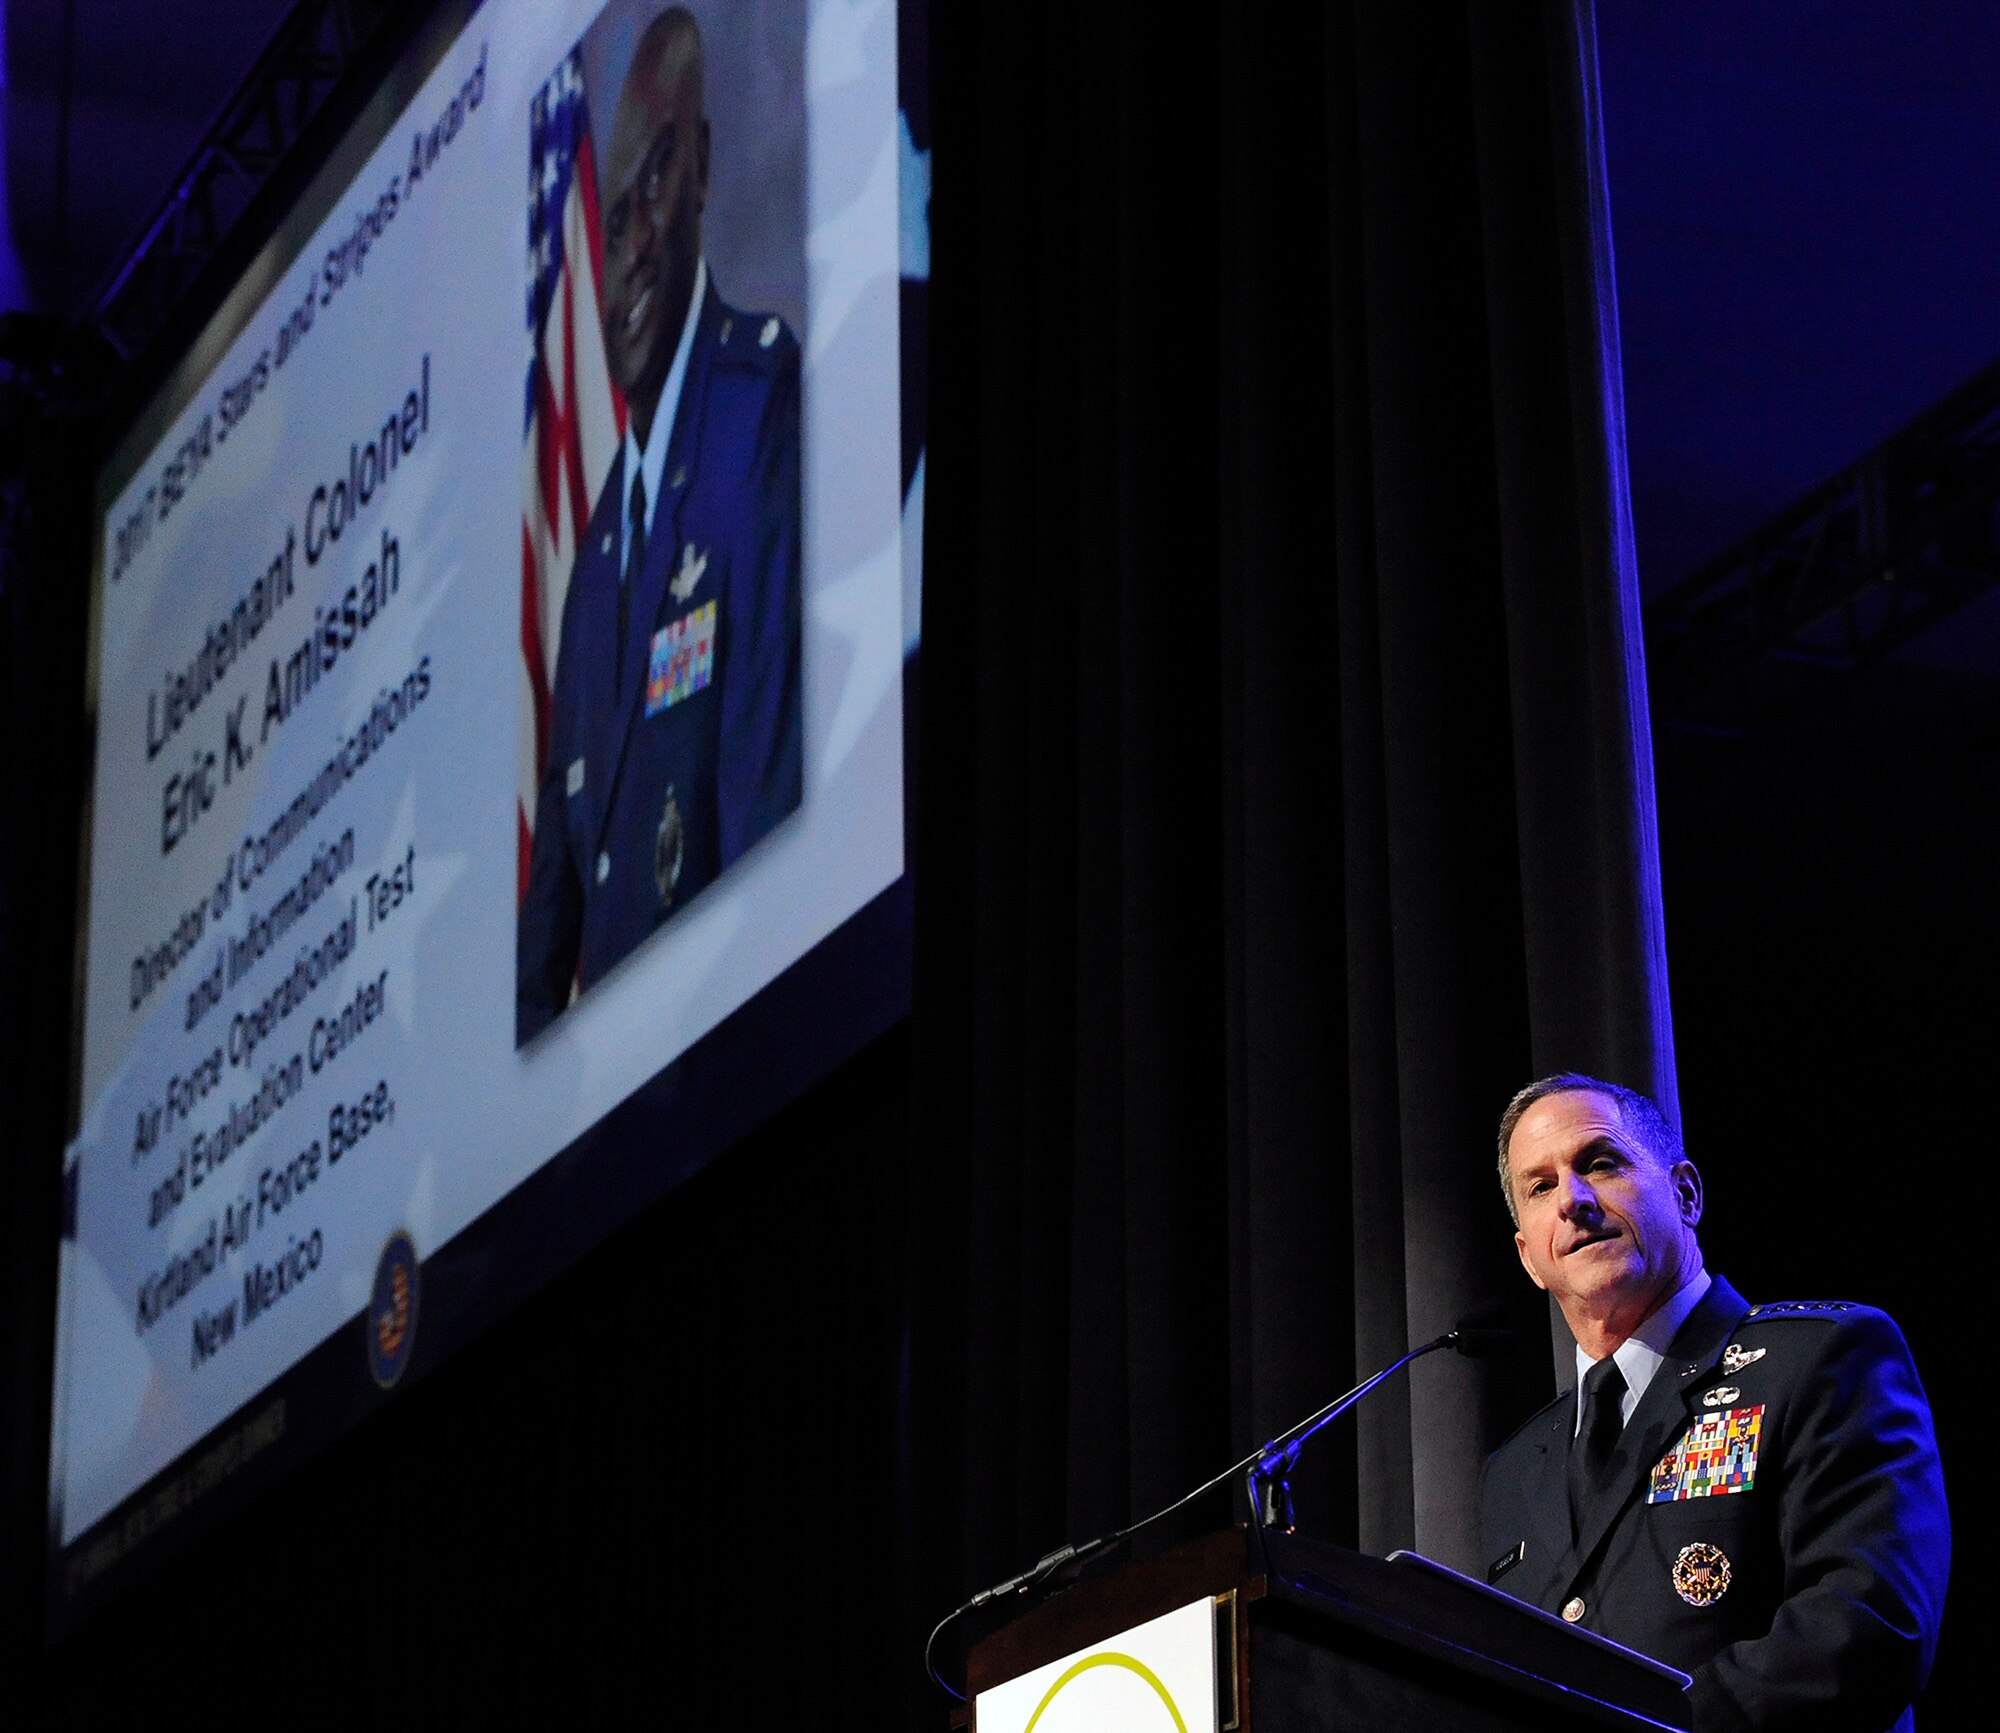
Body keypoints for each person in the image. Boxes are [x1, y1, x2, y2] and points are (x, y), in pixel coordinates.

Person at [1480, 1073, 1948, 1733]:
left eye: (1601, 1162)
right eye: (1541, 1186)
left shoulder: (1818, 1358)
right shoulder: (1512, 1470)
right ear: (1530, 1257)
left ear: (1685, 1192)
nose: (1572, 1200)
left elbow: (1867, 1624)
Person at [518, 6, 802, 1044]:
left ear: (702, 174)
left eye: (657, 181)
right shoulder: (594, 560)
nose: (632, 246)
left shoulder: (754, 411)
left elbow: (762, 818)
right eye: (615, 208)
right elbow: (545, 942)